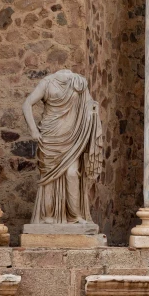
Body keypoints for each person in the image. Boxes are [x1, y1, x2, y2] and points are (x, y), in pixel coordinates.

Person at [22, 69, 105, 225]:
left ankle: (75, 215)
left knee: (72, 173)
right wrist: (33, 130)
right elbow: (27, 103)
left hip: (72, 137)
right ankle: (47, 216)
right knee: (48, 178)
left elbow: (88, 107)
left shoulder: (79, 82)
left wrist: (93, 116)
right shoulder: (47, 82)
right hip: (50, 135)